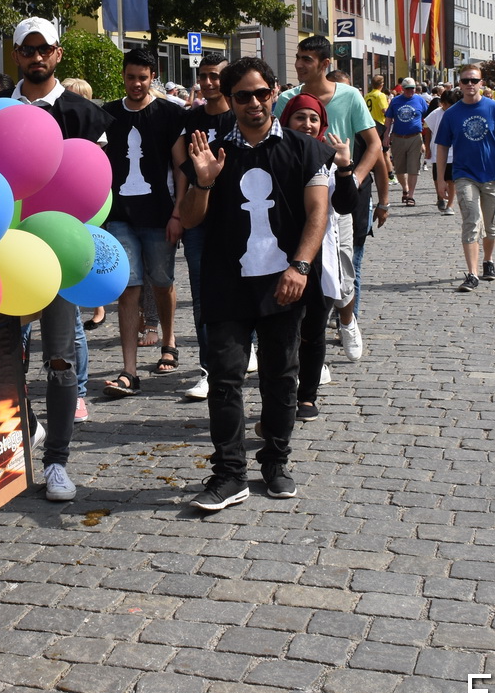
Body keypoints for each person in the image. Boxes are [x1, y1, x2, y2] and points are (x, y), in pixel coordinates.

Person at [179, 57, 333, 510]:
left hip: (284, 283)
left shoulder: (305, 149)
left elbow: (317, 213)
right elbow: (189, 219)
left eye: (261, 93)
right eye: (242, 95)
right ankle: (229, 474)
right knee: (225, 379)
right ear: (229, 98)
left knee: (280, 379)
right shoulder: (208, 148)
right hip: (227, 282)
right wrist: (203, 184)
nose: (253, 103)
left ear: (274, 92)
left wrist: (300, 267)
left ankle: (276, 461)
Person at [9, 17, 114, 500]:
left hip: (60, 256)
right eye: (27, 50)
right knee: (1, 359)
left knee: (60, 360)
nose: (36, 57)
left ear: (58, 53)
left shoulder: (85, 115)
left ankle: (57, 463)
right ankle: (15, 444)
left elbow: (95, 189)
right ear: (17, 55)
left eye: (44, 49)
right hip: (4, 256)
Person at [277, 36, 383, 360]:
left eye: (306, 59)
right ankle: (306, 344)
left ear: (324, 65)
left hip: (340, 199)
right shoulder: (286, 100)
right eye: (297, 57)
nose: (298, 64)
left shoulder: (350, 97)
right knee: (302, 268)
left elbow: (375, 145)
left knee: (343, 270)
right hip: (300, 200)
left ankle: (348, 321)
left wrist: (352, 178)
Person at [101, 48, 186, 395]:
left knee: (162, 283)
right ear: (123, 76)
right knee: (128, 288)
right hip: (120, 215)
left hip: (159, 214)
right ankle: (129, 370)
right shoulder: (107, 114)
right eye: (130, 76)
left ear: (153, 77)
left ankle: (169, 340)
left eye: (142, 77)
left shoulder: (169, 113)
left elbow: (180, 167)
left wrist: (178, 211)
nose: (136, 83)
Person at [281, 93, 357, 425]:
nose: (307, 124)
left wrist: (344, 166)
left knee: (313, 330)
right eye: (300, 118)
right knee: (282, 330)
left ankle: (307, 395)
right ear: (287, 121)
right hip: (279, 256)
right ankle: (282, 392)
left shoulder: (329, 157)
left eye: (313, 118)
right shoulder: (275, 154)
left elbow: (347, 204)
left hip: (320, 258)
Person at [172, 54, 232, 402]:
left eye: (215, 77)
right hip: (198, 217)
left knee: (240, 289)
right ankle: (209, 369)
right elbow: (180, 167)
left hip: (235, 217)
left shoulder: (238, 113)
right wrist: (179, 210)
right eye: (204, 76)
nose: (208, 83)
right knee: (202, 295)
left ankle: (244, 353)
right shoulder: (190, 118)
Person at [434, 64, 495, 292]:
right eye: (465, 81)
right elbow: (442, 146)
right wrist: (442, 178)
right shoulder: (451, 114)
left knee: (491, 225)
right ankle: (471, 274)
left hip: (492, 174)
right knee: (471, 222)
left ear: (482, 83)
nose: (470, 85)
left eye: (474, 80)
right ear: (459, 85)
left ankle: (488, 260)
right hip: (464, 175)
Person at [384, 78, 430, 207]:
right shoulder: (396, 101)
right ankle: (405, 188)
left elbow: (428, 116)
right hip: (398, 137)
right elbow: (388, 120)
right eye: (408, 88)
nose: (411, 91)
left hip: (415, 137)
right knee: (399, 168)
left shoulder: (420, 100)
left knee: (413, 168)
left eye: (413, 88)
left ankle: (411, 195)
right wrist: (386, 136)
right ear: (403, 89)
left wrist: (426, 138)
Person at [422, 88, 457, 214]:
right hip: (437, 150)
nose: (446, 107)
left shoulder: (456, 113)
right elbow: (428, 131)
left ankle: (450, 204)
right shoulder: (436, 113)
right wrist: (427, 149)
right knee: (438, 178)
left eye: (449, 104)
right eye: (445, 104)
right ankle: (440, 196)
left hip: (453, 152)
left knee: (452, 180)